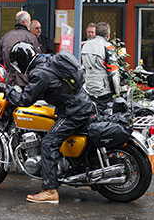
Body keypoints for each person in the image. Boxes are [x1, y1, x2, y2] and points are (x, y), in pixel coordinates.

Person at [5, 42, 93, 204]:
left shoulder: (39, 74)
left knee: (48, 143)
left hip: (73, 111)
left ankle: (50, 190)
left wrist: (9, 91)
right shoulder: (48, 61)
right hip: (81, 104)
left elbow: (25, 99)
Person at [81, 22, 121, 113]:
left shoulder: (84, 45)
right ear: (108, 35)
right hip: (103, 92)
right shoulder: (108, 47)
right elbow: (114, 74)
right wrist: (117, 93)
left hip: (88, 89)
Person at [0, 11, 40, 86]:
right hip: (25, 81)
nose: (30, 23)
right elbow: (37, 62)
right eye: (29, 21)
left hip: (8, 80)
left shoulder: (5, 36)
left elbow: (0, 60)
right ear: (25, 22)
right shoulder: (30, 37)